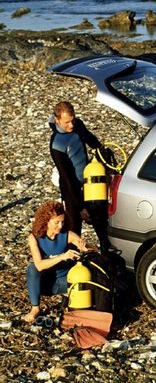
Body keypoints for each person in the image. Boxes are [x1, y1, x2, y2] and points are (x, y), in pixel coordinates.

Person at [24, 200, 94, 323]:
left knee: (85, 272)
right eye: (56, 222)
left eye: (62, 222)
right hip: (45, 284)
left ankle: (74, 301)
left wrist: (85, 248)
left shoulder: (68, 235)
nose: (60, 226)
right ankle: (35, 308)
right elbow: (39, 265)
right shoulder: (34, 237)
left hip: (65, 282)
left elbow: (93, 250)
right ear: (46, 221)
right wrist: (62, 256)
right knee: (32, 269)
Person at [49, 101, 106, 244]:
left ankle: (107, 250)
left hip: (89, 183)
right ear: (57, 120)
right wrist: (80, 208)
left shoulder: (78, 125)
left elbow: (92, 141)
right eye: (67, 122)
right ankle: (72, 255)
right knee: (74, 229)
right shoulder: (57, 143)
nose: (71, 125)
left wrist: (103, 153)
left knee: (100, 221)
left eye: (73, 120)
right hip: (71, 189)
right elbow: (66, 177)